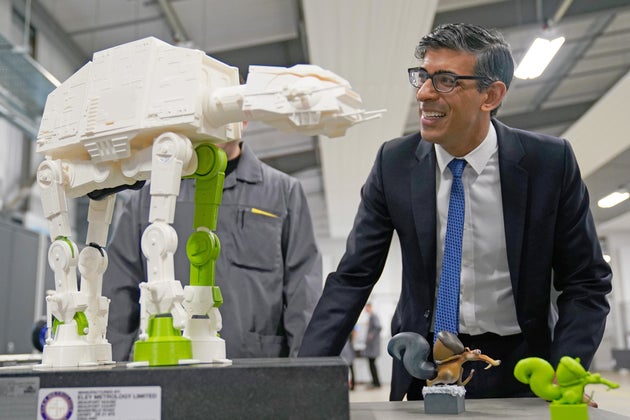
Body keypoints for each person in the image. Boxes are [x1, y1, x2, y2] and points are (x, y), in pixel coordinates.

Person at [298, 22, 612, 402]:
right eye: (423, 77)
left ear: (491, 95)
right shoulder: (393, 164)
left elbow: (585, 281)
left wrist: (567, 365)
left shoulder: (549, 163)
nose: (425, 94)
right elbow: (352, 277)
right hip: (424, 364)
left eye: (446, 80)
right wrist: (305, 374)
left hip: (522, 364)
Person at [103, 134, 323, 360]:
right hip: (169, 367)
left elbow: (304, 294)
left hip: (256, 369)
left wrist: (308, 374)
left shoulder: (283, 193)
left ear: (244, 117)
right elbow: (119, 292)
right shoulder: (148, 199)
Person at [363, 303, 382, 388]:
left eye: (366, 308)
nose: (365, 310)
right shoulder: (371, 317)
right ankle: (375, 382)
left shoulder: (373, 316)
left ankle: (376, 383)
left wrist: (371, 335)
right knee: (372, 364)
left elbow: (378, 327)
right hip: (372, 347)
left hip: (372, 347)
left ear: (370, 307)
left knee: (372, 364)